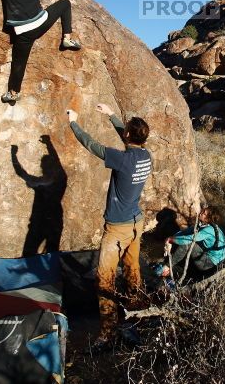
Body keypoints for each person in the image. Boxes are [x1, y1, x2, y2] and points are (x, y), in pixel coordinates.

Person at [67, 103, 152, 350]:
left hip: (117, 229)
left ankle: (107, 333)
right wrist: (111, 116)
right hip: (136, 224)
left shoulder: (123, 159)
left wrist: (73, 122)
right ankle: (134, 320)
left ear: (128, 135)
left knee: (104, 281)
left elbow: (93, 146)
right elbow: (129, 141)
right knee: (132, 273)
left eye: (124, 130)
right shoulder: (145, 156)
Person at [158, 206, 225, 279]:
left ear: (208, 219)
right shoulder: (203, 225)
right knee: (181, 243)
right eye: (203, 210)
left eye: (204, 213)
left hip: (210, 265)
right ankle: (172, 269)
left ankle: (167, 267)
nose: (201, 213)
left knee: (188, 244)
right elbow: (185, 232)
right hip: (206, 258)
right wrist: (171, 238)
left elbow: (190, 239)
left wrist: (171, 239)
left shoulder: (209, 230)